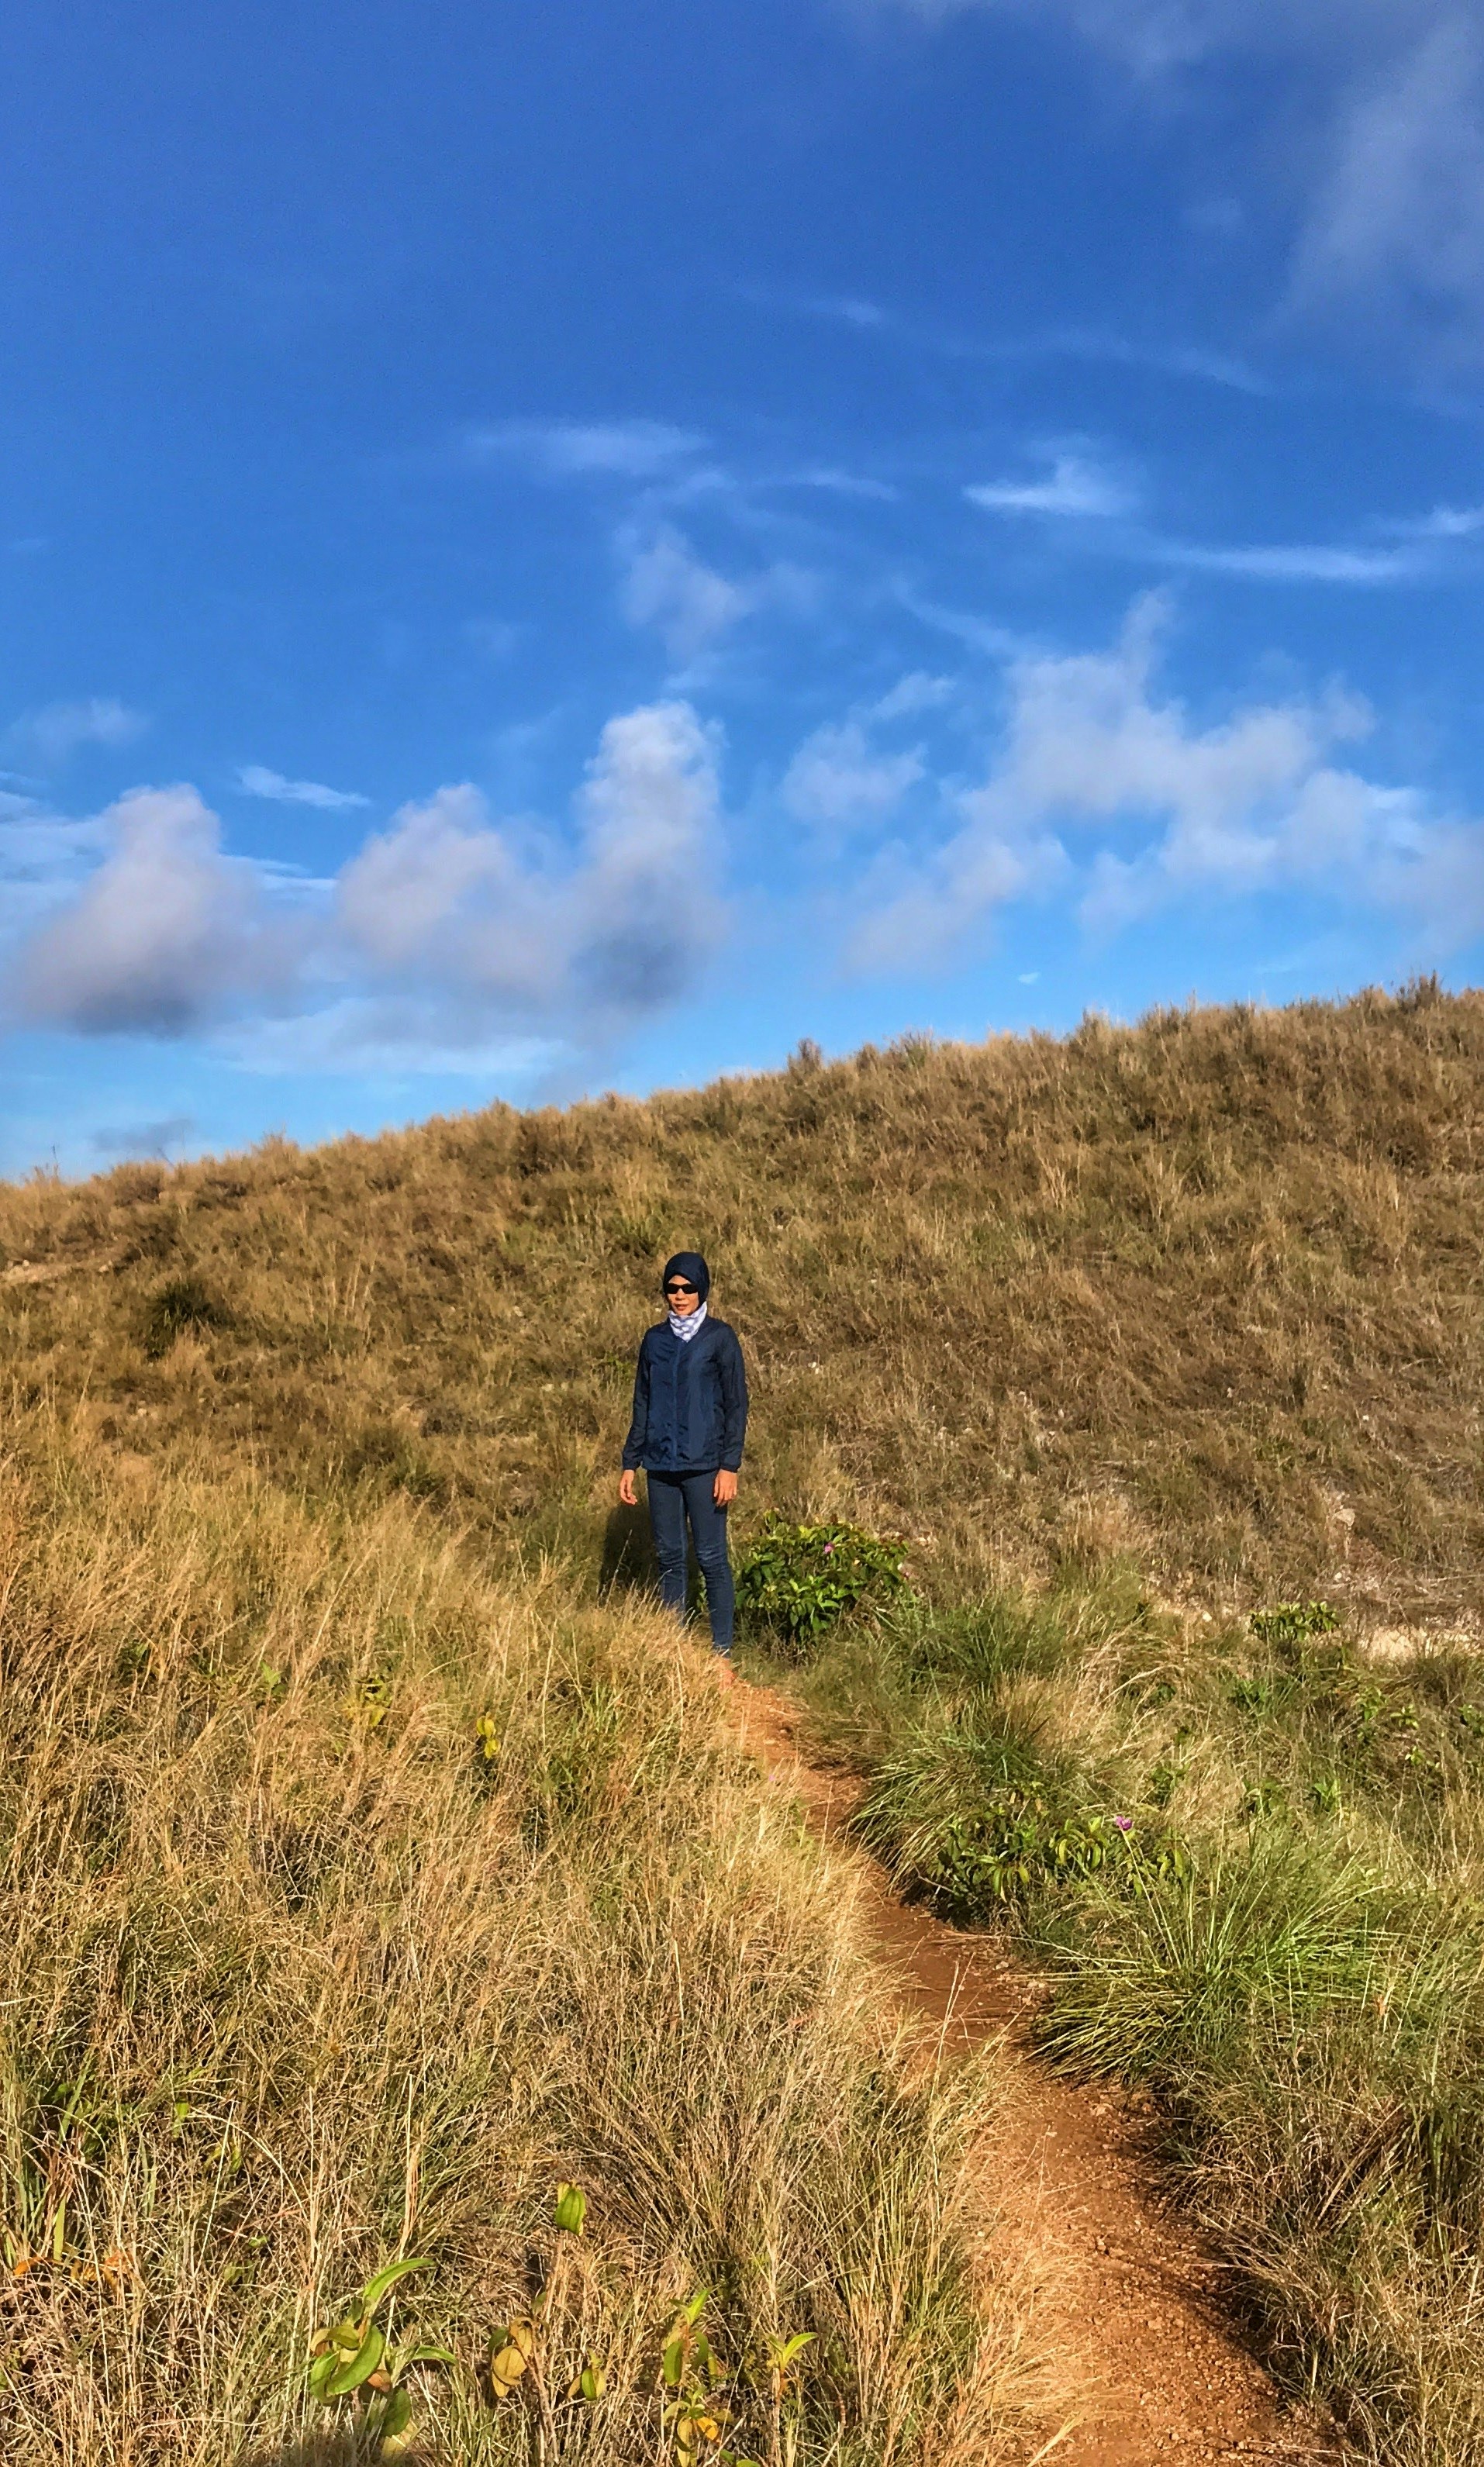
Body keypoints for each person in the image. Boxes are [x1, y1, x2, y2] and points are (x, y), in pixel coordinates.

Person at [619, 1251, 748, 1679]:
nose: (679, 1296)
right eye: (672, 1288)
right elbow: (642, 1401)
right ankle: (673, 1652)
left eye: (688, 1288)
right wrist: (630, 1461)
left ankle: (722, 1655)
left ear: (702, 1289)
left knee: (711, 1558)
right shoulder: (654, 1341)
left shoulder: (720, 1339)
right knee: (671, 1558)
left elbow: (736, 1404)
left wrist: (729, 1466)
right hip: (660, 1467)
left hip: (705, 1467)